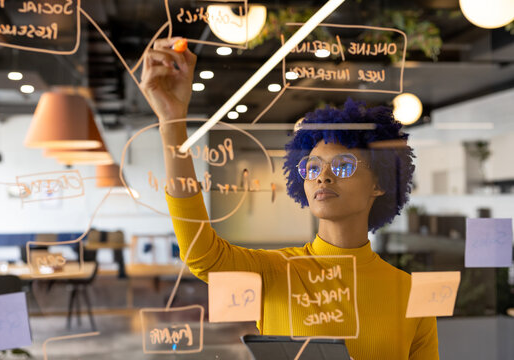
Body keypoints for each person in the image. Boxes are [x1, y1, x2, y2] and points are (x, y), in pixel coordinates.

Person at [140, 37, 439, 360]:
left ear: (379, 182)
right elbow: (201, 254)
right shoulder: (276, 272)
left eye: (342, 165)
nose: (323, 177)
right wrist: (172, 123)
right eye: (311, 168)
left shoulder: (409, 292)